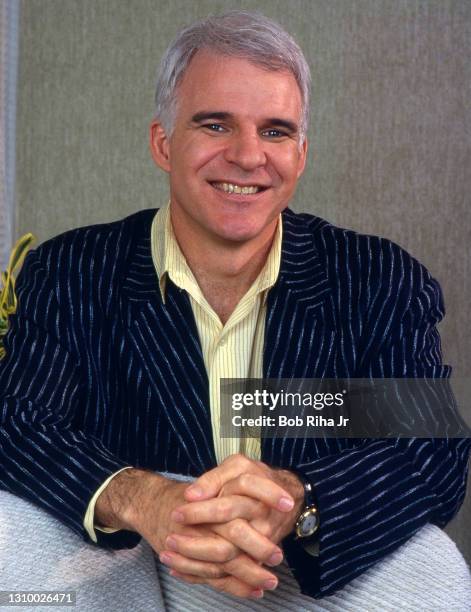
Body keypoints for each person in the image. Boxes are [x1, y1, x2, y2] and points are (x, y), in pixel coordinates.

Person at [0, 10, 469, 604]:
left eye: (275, 131)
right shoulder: (74, 270)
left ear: (301, 153)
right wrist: (144, 499)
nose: (249, 157)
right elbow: (18, 422)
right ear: (163, 143)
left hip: (298, 565)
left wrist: (296, 500)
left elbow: (432, 451)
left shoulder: (377, 279)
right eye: (216, 125)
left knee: (433, 566)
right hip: (132, 565)